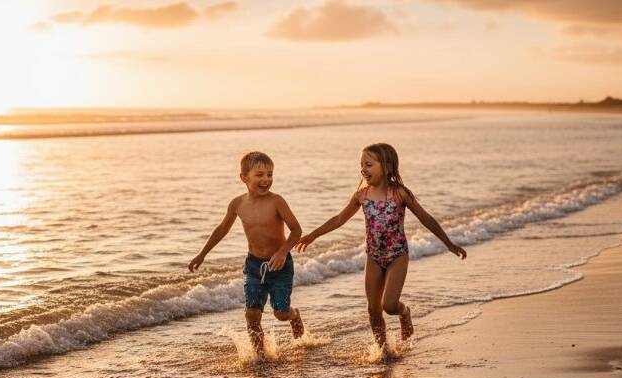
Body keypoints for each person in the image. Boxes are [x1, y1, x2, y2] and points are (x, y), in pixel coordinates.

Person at [296, 143, 465, 350]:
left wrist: (448, 243)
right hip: (373, 256)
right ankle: (382, 349)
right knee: (373, 309)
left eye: (368, 164)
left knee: (389, 305)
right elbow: (339, 218)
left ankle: (404, 313)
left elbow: (426, 219)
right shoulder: (361, 195)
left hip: (397, 255)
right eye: (361, 165)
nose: (363, 169)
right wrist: (313, 235)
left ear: (386, 166)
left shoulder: (400, 194)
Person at [189, 151, 304, 357]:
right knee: (251, 314)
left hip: (280, 266)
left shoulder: (277, 201)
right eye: (259, 175)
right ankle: (260, 357)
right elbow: (222, 229)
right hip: (253, 266)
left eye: (270, 174)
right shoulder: (237, 204)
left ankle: (294, 315)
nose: (266, 180)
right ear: (244, 177)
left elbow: (296, 230)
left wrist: (282, 252)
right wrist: (202, 254)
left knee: (280, 313)